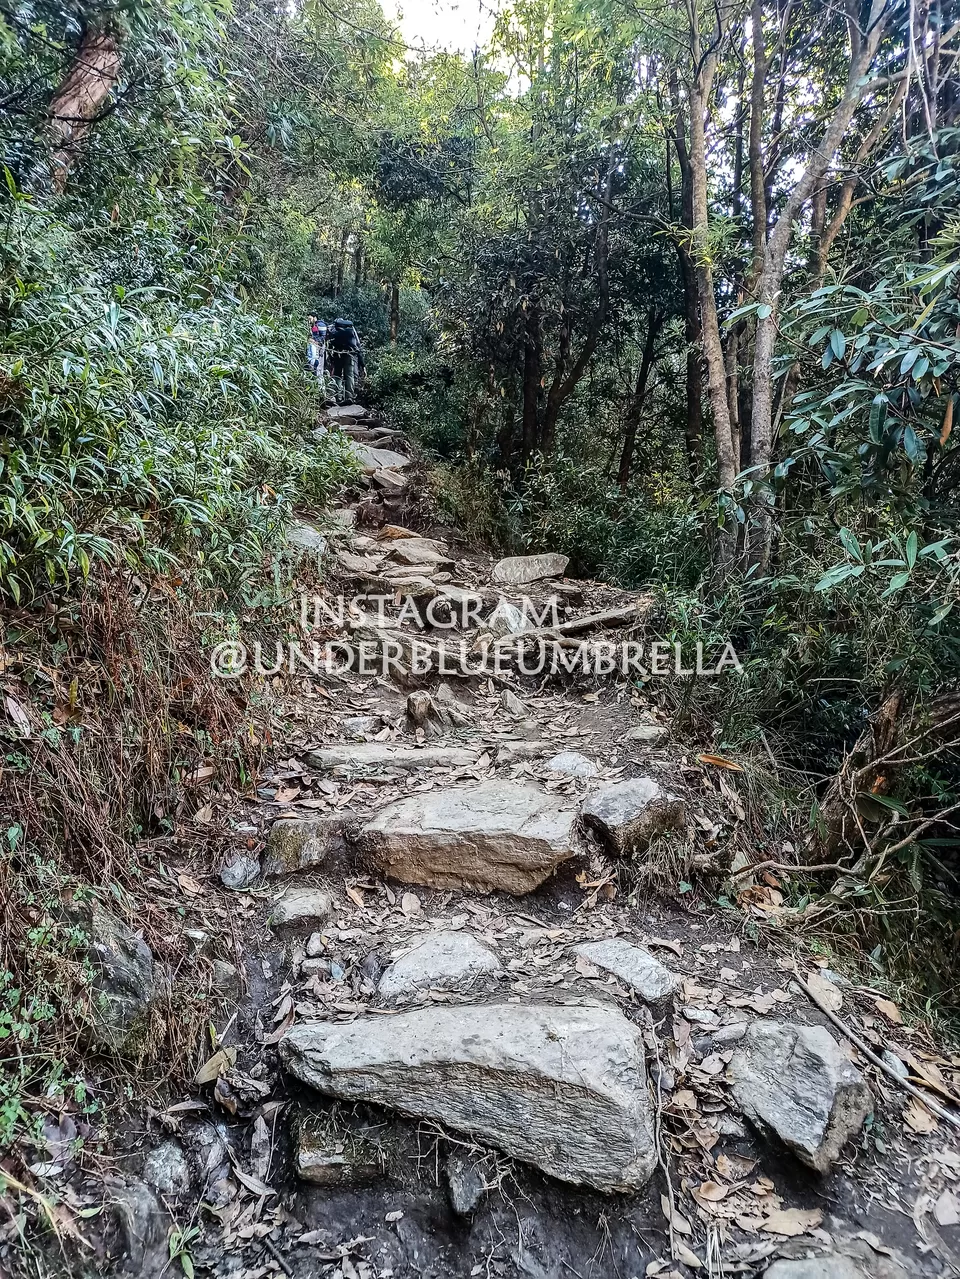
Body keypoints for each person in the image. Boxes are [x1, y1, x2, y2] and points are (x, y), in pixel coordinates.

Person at [327, 317, 365, 404]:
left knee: (337, 375)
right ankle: (349, 397)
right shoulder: (351, 330)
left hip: (338, 355)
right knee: (349, 375)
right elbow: (357, 346)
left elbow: (329, 345)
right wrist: (362, 363)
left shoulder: (333, 330)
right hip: (349, 354)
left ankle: (338, 397)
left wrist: (331, 358)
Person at [305, 314, 327, 379]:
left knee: (319, 367)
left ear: (315, 318)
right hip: (315, 347)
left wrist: (314, 341)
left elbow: (323, 337)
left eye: (310, 319)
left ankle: (320, 385)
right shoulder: (314, 325)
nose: (309, 321)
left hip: (319, 348)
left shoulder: (320, 325)